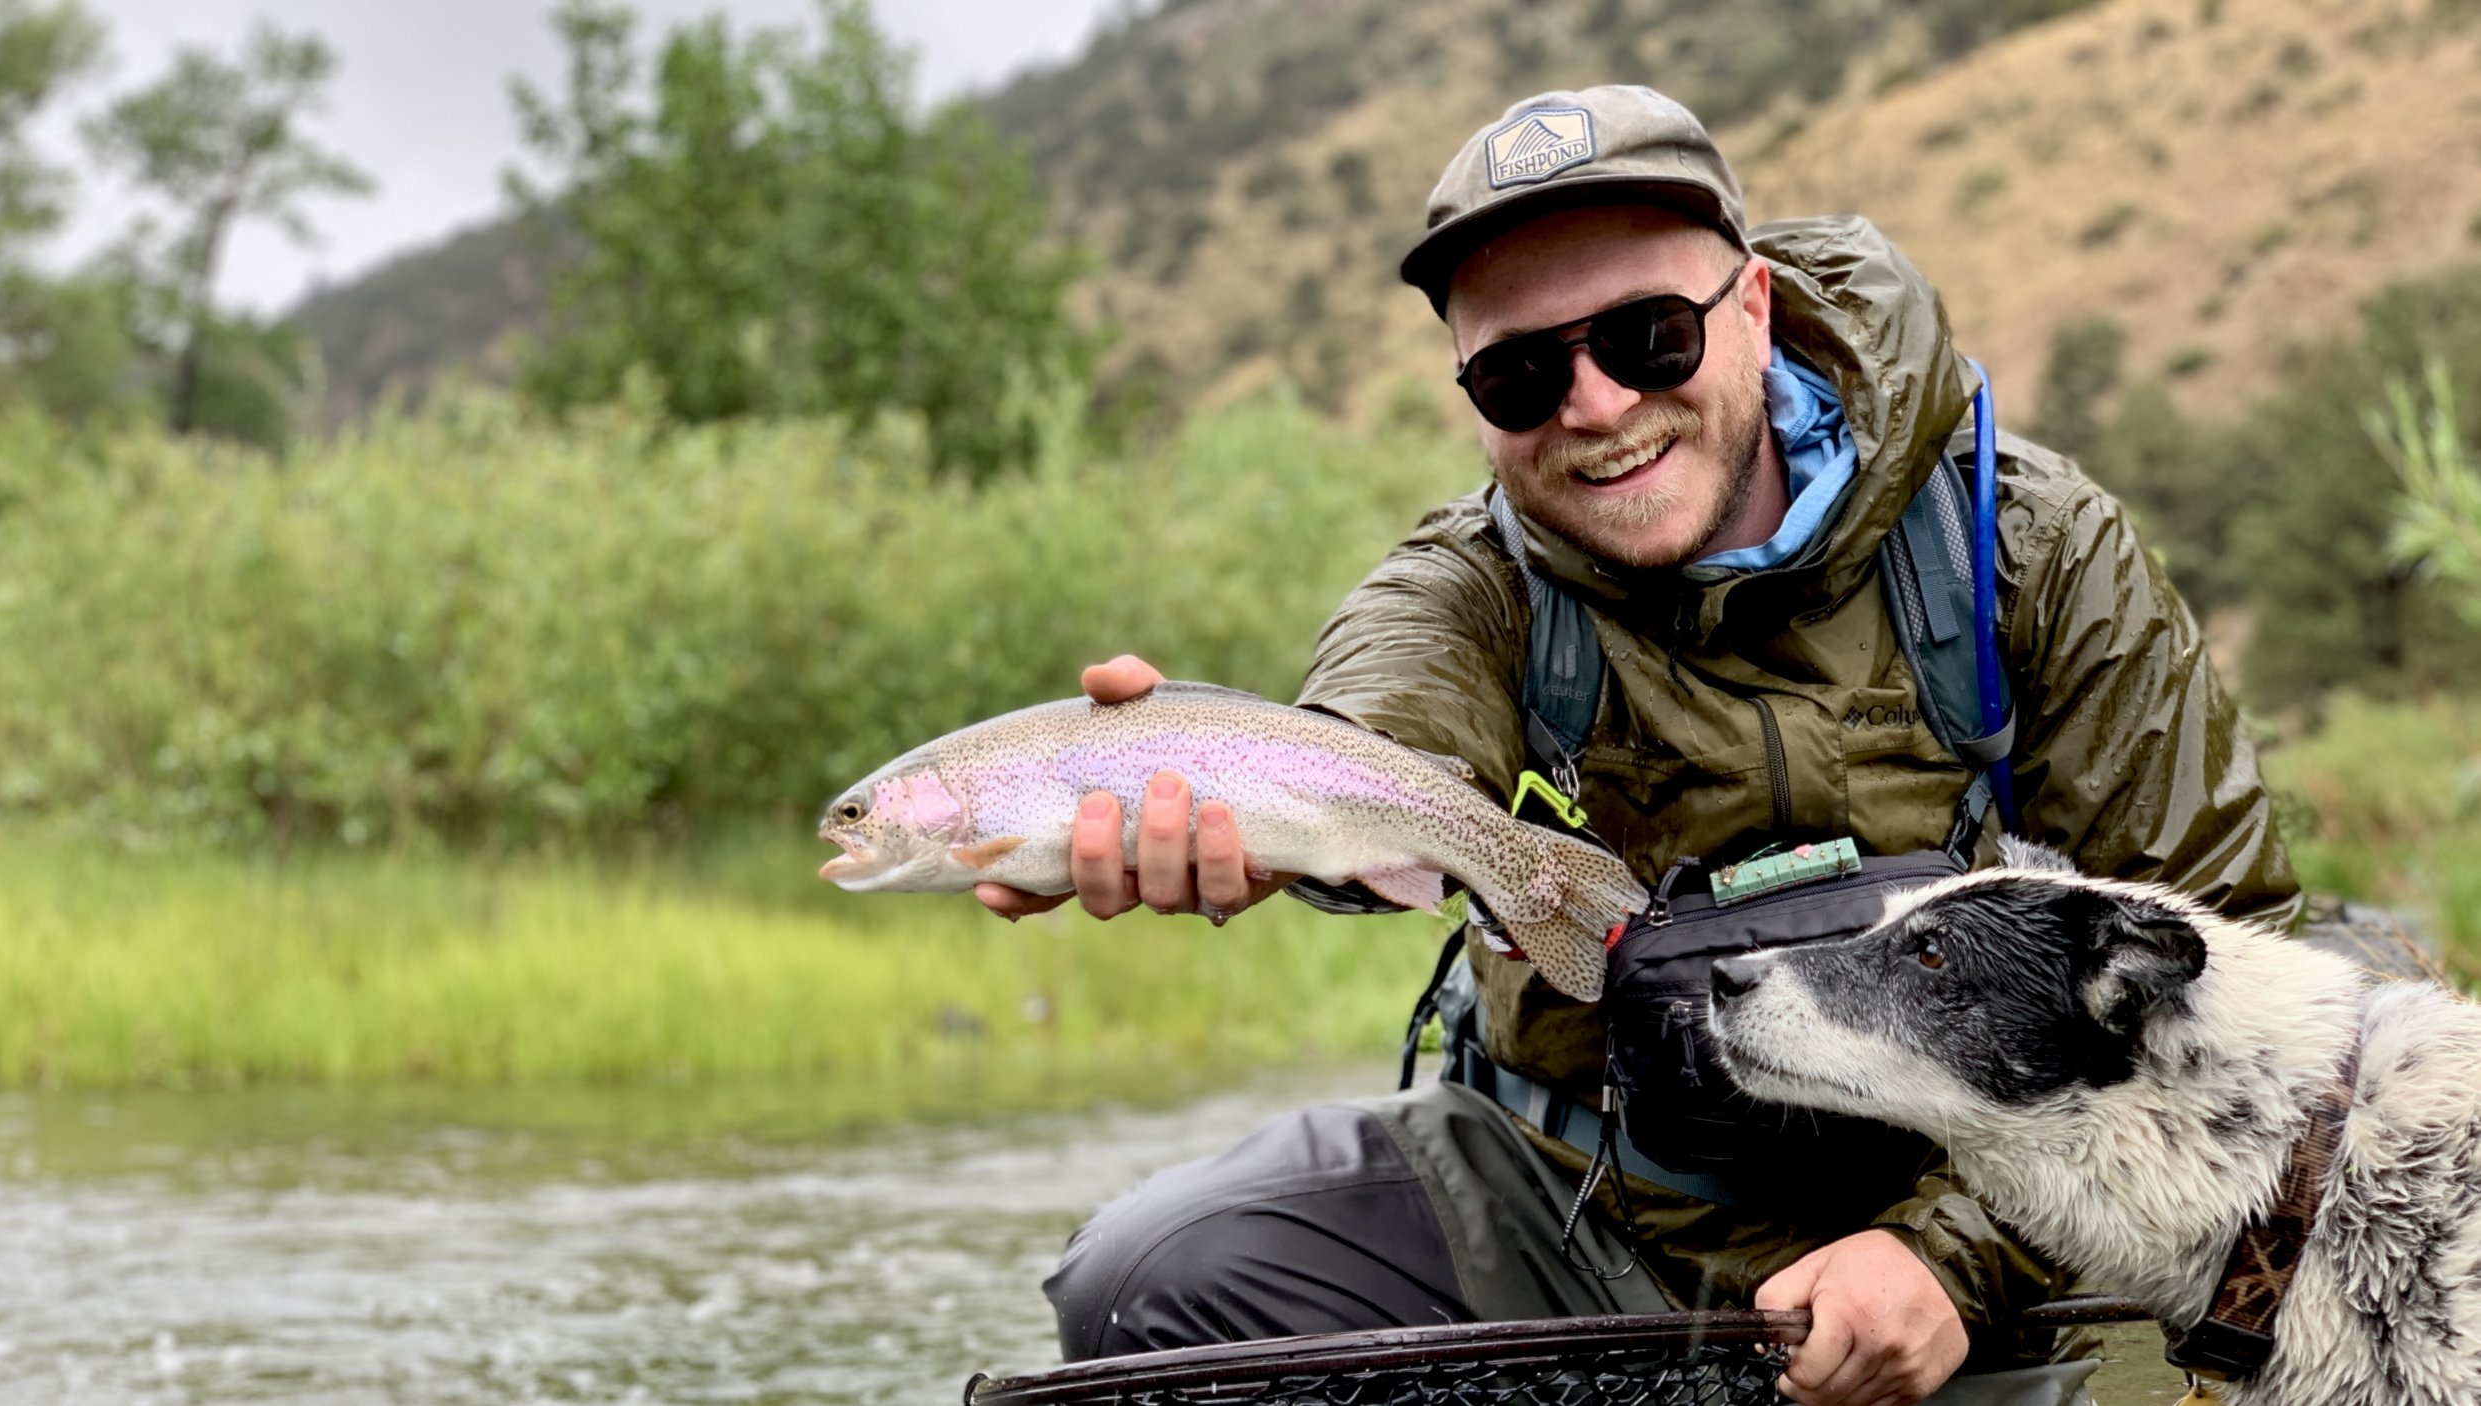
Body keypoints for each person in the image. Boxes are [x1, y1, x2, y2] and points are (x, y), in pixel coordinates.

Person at [977, 85, 2297, 1406]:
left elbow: (2227, 946)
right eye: (1521, 373)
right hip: (1584, 1209)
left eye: (1649, 338)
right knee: (1149, 1275)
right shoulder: (1468, 586)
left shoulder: (2021, 545)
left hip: (1988, 1240)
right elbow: (1370, 730)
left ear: (1756, 307)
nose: (1597, 405)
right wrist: (1221, 789)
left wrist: (1947, 1257)